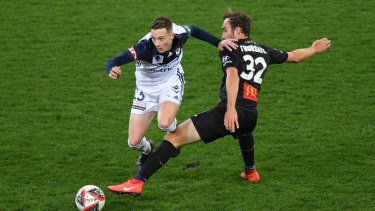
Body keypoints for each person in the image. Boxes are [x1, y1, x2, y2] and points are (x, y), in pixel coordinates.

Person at [107, 10, 331, 197]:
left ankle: (137, 182)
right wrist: (314, 48)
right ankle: (251, 172)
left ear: (238, 31)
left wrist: (230, 108)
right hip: (251, 114)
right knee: (243, 130)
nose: (222, 35)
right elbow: (294, 56)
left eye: (225, 30)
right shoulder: (264, 50)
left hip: (228, 112)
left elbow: (233, 75)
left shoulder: (231, 49)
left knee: (173, 137)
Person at [105, 16, 237, 173]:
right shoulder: (144, 47)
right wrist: (112, 69)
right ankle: (148, 150)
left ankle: (174, 138)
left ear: (171, 35)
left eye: (161, 38)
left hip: (170, 82)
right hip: (145, 89)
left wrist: (218, 42)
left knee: (165, 123)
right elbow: (112, 61)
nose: (157, 43)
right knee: (133, 142)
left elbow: (194, 30)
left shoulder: (180, 34)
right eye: (154, 38)